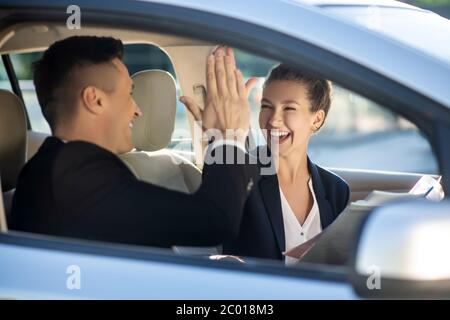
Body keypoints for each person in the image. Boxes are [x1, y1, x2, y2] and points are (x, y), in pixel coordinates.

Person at [10, 36, 259, 248]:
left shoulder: (58, 166)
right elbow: (215, 221)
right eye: (129, 93)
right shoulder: (75, 176)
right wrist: (228, 136)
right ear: (94, 100)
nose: (138, 110)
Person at [223, 64, 350, 264]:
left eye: (289, 108)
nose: (273, 120)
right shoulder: (239, 176)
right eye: (266, 106)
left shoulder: (336, 190)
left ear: (316, 119)